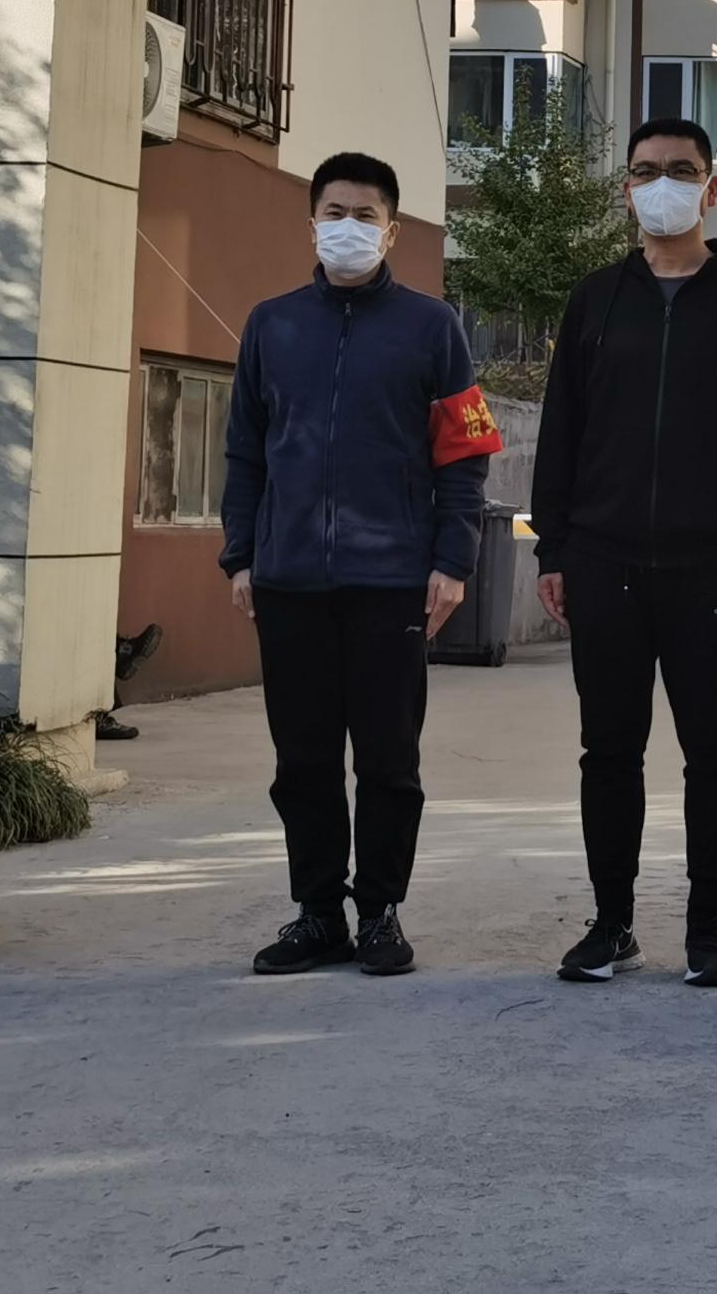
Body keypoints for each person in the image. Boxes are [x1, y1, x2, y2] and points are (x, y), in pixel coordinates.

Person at [530, 118, 717, 987]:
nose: (663, 185)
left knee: (713, 751)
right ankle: (611, 924)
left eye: (681, 171)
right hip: (603, 560)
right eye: (646, 171)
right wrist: (552, 550)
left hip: (710, 566)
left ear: (710, 189)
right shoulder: (594, 299)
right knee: (608, 751)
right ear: (626, 190)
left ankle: (707, 930)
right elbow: (562, 432)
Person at [220, 152, 500, 978]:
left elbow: (465, 455)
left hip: (392, 583)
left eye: (365, 215)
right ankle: (318, 914)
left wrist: (453, 560)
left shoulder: (432, 328)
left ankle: (379, 913)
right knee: (302, 763)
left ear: (392, 230)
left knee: (387, 760)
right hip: (289, 582)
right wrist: (241, 554)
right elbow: (245, 453)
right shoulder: (272, 325)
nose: (348, 227)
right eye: (334, 213)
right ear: (312, 223)